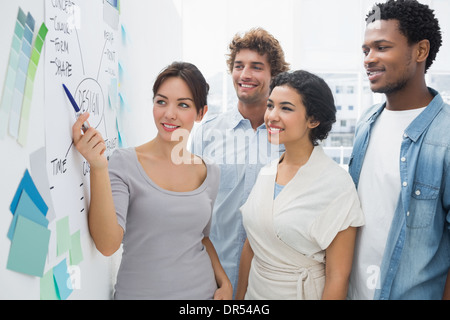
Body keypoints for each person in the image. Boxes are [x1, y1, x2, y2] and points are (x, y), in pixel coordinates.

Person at [72, 62, 232, 300]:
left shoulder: (209, 171)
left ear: (201, 113)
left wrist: (224, 281)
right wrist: (97, 167)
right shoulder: (124, 162)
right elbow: (107, 245)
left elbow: (201, 237)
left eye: (183, 105)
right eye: (161, 101)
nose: (169, 113)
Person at [348, 0, 450, 300]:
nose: (369, 59)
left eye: (382, 47)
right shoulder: (366, 123)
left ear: (420, 51)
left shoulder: (446, 135)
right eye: (366, 50)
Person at [235, 70, 365, 300]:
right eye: (270, 105)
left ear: (313, 119)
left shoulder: (336, 185)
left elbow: (338, 277)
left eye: (286, 108)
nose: (272, 116)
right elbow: (251, 245)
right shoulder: (267, 172)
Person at [191, 27, 289, 296]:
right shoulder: (207, 133)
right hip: (210, 277)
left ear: (274, 76)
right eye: (238, 66)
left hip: (268, 281)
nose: (245, 75)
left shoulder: (292, 137)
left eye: (256, 67)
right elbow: (192, 207)